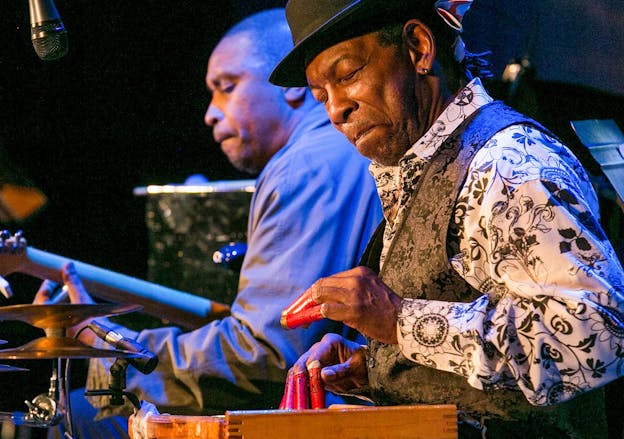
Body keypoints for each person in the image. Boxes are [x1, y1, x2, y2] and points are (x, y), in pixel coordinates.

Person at [269, 0, 624, 437]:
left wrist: (400, 321)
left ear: (419, 48)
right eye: (321, 95)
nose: (335, 109)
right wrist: (386, 364)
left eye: (347, 75)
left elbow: (597, 337)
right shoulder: (422, 165)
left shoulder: (506, 164)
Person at [35, 8, 382, 438]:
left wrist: (111, 347)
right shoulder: (326, 154)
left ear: (292, 86)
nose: (210, 114)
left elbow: (265, 353)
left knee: (74, 418)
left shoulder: (304, 168)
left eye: (227, 87)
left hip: (332, 416)